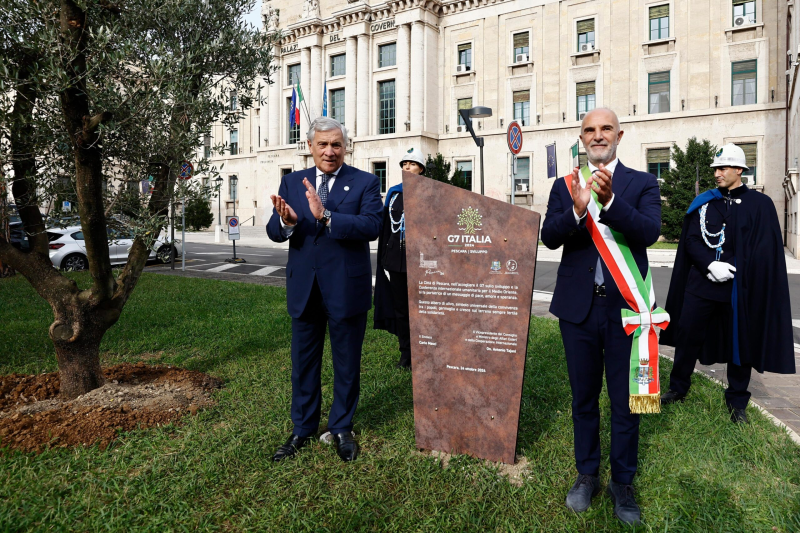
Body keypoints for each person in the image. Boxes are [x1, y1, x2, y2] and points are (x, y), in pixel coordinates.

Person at [541, 107, 661, 526]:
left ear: (619, 134)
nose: (597, 135)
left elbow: (649, 232)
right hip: (578, 310)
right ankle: (587, 474)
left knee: (628, 402)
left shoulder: (643, 183)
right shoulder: (565, 185)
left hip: (626, 311)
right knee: (584, 398)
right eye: (589, 130)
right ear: (581, 137)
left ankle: (622, 482)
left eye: (605, 128)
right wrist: (576, 212)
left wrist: (609, 202)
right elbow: (549, 237)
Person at [267, 117, 383, 463]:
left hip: (347, 289)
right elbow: (276, 230)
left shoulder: (365, 181)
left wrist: (328, 216)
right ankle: (302, 428)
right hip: (304, 289)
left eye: (336, 144)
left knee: (347, 364)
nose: (329, 151)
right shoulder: (291, 181)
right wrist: (287, 222)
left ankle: (342, 427)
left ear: (346, 146)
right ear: (310, 146)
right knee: (303, 365)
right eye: (323, 144)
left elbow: (372, 225)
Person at [660, 144, 795, 422]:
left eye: (722, 168)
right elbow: (692, 240)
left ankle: (737, 402)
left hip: (739, 288)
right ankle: (678, 388)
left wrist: (736, 269)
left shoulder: (761, 204)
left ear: (739, 170)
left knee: (740, 344)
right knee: (687, 336)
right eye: (715, 169)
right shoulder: (704, 202)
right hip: (701, 284)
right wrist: (710, 264)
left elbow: (765, 249)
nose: (717, 173)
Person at [373, 148, 426, 370]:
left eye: (412, 164)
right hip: (396, 261)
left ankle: (424, 350)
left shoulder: (430, 192)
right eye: (404, 163)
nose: (407, 167)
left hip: (422, 262)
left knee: (422, 309)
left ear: (421, 169)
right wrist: (383, 258)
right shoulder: (394, 194)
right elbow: (386, 229)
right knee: (402, 309)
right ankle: (406, 353)